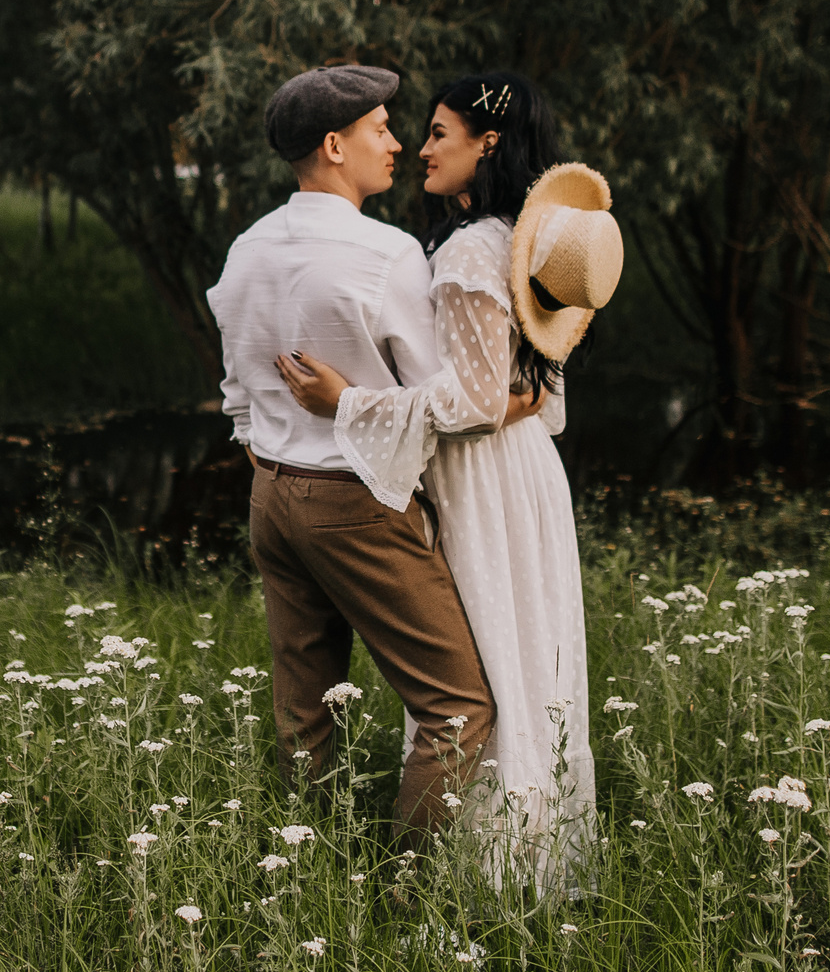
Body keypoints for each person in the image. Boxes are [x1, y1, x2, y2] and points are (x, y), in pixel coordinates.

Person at [275, 72, 621, 879]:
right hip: (527, 471)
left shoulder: (468, 249)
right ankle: (525, 856)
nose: (420, 148)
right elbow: (535, 392)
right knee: (521, 655)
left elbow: (471, 400)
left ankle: (472, 872)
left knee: (482, 662)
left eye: (437, 132)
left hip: (481, 475)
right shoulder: (523, 239)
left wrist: (349, 401)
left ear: (487, 143)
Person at [205, 64, 530, 842]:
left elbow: (237, 389)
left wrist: (271, 453)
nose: (396, 143)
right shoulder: (387, 254)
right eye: (379, 129)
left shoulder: (246, 250)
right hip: (351, 500)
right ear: (333, 145)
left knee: (305, 710)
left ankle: (310, 878)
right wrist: (518, 400)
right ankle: (405, 893)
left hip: (271, 500)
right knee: (457, 706)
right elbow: (444, 395)